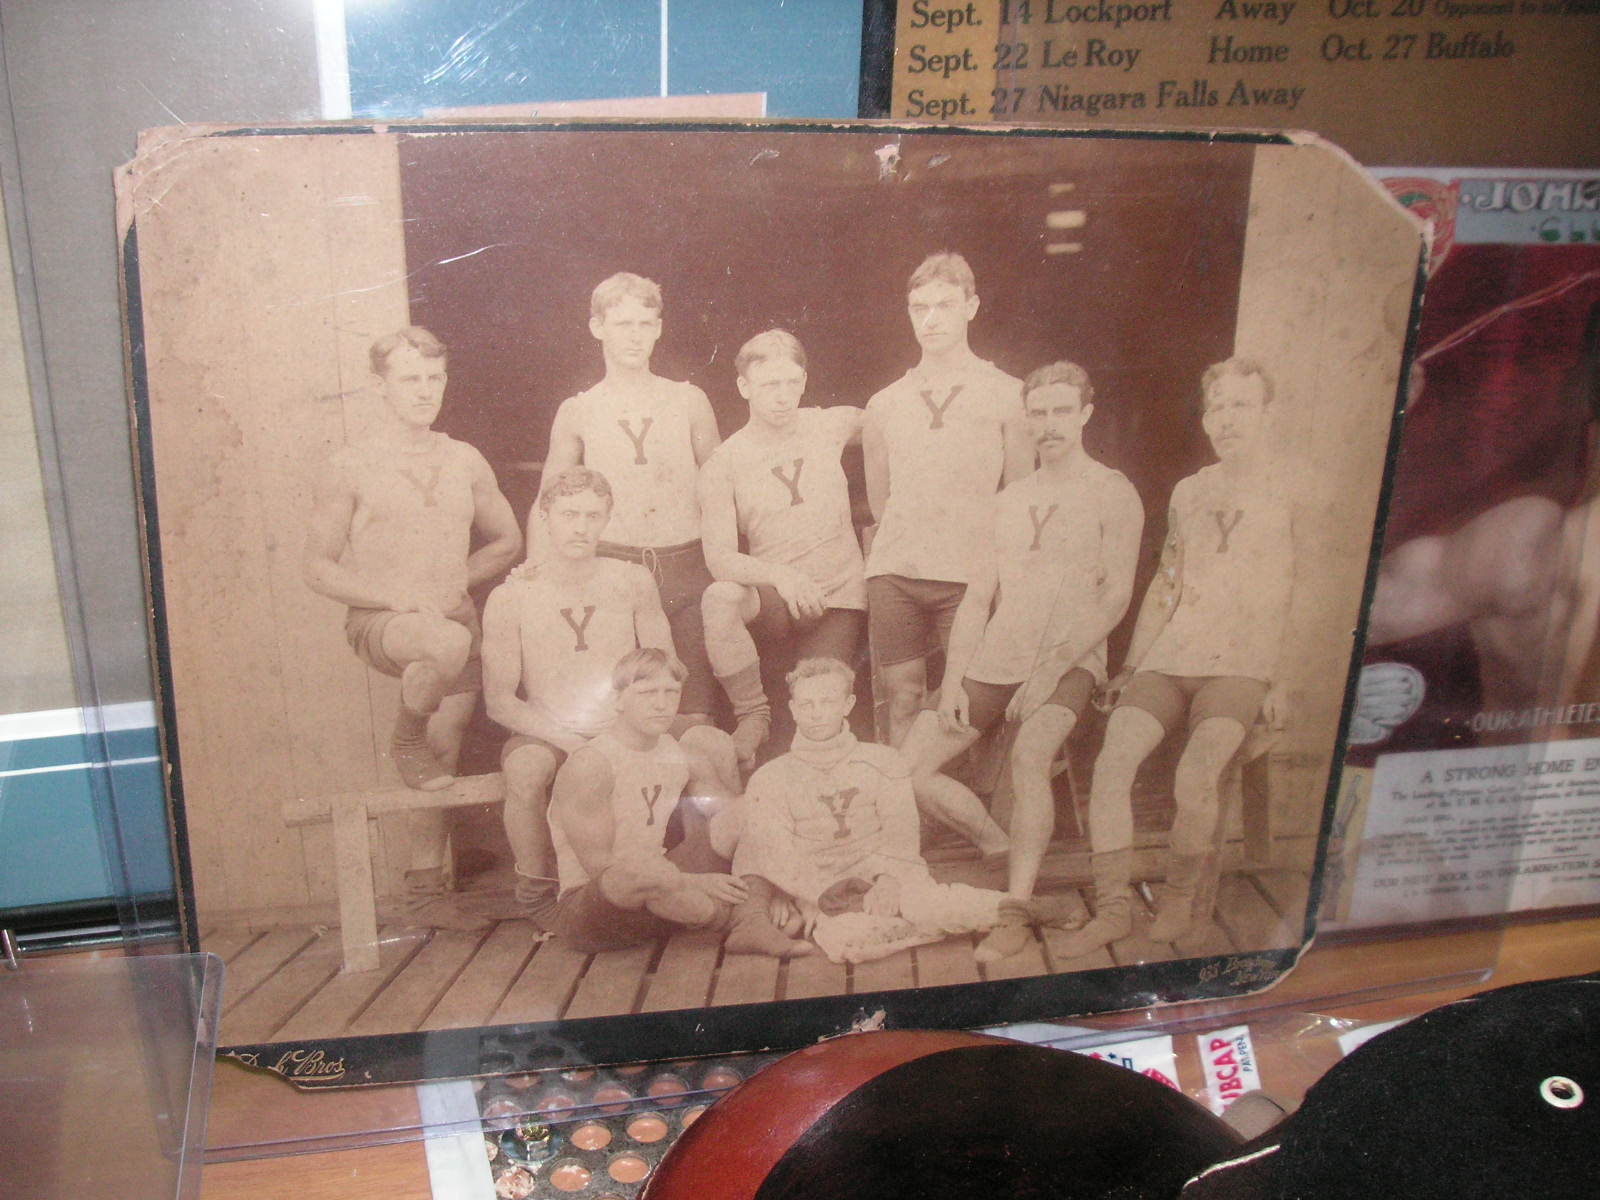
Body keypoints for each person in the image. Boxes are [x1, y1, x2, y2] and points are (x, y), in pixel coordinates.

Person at [898, 361, 1144, 961]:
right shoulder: (1009, 500)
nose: (1049, 424)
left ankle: (1013, 909)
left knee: (1031, 756)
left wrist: (1052, 669)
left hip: (1071, 663)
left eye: (1062, 410)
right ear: (1025, 420)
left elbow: (1116, 598)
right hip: (997, 659)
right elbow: (977, 599)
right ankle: (1002, 848)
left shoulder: (1111, 490)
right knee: (908, 768)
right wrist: (954, 681)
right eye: (1038, 413)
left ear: (1086, 414)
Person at [1067, 357, 1294, 955]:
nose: (1227, 419)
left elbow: (1302, 591)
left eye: (1241, 405)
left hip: (1241, 665)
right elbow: (1167, 583)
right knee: (1113, 762)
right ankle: (1114, 907)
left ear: (1267, 414)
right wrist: (1133, 665)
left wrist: (1281, 680)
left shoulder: (1291, 490)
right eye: (1217, 407)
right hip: (1171, 659)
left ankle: (1177, 898)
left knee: (1195, 776)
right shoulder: (1190, 491)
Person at [302, 325, 521, 924]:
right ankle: (404, 737)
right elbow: (317, 567)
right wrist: (395, 596)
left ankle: (424, 889)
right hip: (384, 619)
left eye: (434, 378)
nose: (425, 391)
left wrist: (457, 579)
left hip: (451, 614)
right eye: (409, 379)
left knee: (443, 749)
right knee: (443, 649)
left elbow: (506, 541)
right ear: (380, 387)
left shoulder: (463, 458)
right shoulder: (350, 464)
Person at [483, 466, 737, 921]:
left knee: (712, 743)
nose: (581, 527)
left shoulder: (631, 579)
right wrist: (573, 742)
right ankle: (536, 896)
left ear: (607, 519)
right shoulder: (513, 595)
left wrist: (646, 712)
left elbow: (664, 663)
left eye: (592, 516)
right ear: (545, 516)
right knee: (524, 768)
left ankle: (717, 873)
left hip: (626, 724)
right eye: (569, 515)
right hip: (553, 729)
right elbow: (499, 700)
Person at [728, 658, 1061, 963]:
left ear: (848, 704)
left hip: (889, 874)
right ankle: (949, 917)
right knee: (849, 943)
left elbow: (900, 833)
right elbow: (778, 855)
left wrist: (887, 881)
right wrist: (815, 895)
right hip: (827, 889)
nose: (816, 714)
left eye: (827, 702)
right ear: (793, 709)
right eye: (806, 704)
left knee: (925, 905)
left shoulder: (883, 761)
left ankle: (1021, 910)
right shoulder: (771, 778)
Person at [535, 272, 723, 731]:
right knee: (619, 714)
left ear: (658, 328)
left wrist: (726, 560)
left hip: (686, 563)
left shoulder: (688, 400)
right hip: (612, 568)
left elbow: (721, 491)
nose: (634, 336)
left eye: (644, 323)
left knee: (692, 712)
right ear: (597, 327)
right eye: (622, 324)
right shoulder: (579, 409)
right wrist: (537, 566)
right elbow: (548, 499)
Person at [863, 252, 1034, 746]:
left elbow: (1020, 497)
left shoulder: (1007, 394)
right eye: (920, 308)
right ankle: (903, 796)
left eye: (945, 305)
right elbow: (881, 500)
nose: (931, 319)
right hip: (897, 570)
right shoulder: (884, 403)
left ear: (971, 307)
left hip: (970, 575)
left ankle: (948, 791)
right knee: (902, 697)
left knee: (968, 702)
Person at [699, 329, 867, 769]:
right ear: (744, 386)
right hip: (776, 599)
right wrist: (781, 575)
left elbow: (898, 421)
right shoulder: (725, 461)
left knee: (819, 714)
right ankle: (752, 713)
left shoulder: (830, 424)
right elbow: (719, 558)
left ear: (805, 381)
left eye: (792, 382)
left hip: (835, 596)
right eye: (770, 384)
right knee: (721, 598)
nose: (782, 395)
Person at [546, 647, 746, 951]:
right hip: (598, 909)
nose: (661, 704)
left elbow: (732, 815)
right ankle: (731, 919)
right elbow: (601, 868)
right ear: (618, 700)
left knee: (747, 810)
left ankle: (753, 905)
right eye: (647, 692)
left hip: (665, 891)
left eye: (671, 692)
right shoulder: (591, 764)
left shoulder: (677, 753)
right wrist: (697, 882)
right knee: (645, 870)